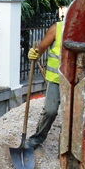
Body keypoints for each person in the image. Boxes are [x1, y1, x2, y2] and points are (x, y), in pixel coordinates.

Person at [24, 21, 63, 150]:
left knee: (74, 116)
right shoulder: (57, 28)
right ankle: (36, 139)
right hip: (56, 80)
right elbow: (41, 48)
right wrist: (36, 53)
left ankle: (68, 147)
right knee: (50, 111)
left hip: (78, 81)